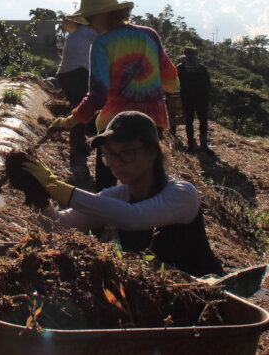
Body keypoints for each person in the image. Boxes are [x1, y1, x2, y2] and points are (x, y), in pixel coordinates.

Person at [20, 111, 224, 277]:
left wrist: (55, 185)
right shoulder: (118, 196)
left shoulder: (181, 194)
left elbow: (133, 217)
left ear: (152, 152)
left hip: (203, 293)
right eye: (110, 155)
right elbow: (60, 226)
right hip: (163, 295)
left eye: (127, 152)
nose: (117, 163)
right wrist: (40, 196)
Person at [48, 0, 180, 189]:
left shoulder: (102, 44)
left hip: (117, 126)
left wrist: (70, 121)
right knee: (153, 187)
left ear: (103, 14)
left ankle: (107, 221)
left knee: (107, 187)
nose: (89, 24)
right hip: (151, 124)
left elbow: (98, 97)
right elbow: (172, 81)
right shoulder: (149, 34)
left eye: (91, 17)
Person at [56, 17, 98, 164]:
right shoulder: (88, 32)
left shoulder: (73, 35)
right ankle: (77, 147)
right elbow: (104, 43)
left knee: (78, 107)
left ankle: (78, 143)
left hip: (64, 74)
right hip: (78, 72)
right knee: (82, 109)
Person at [176, 47, 212, 153]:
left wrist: (168, 95)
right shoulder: (202, 68)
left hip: (187, 97)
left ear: (185, 55)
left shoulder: (180, 67)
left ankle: (191, 145)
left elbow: (174, 83)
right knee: (203, 120)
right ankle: (204, 145)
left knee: (189, 121)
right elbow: (208, 84)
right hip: (202, 97)